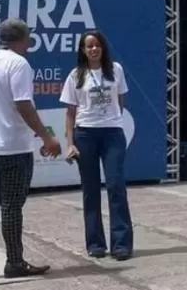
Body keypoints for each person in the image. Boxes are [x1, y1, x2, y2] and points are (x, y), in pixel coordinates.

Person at [0, 19, 61, 282]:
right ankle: (15, 262)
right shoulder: (18, 64)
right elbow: (24, 105)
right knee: (11, 206)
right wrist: (46, 136)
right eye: (29, 38)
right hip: (13, 146)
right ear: (22, 39)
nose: (30, 43)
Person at [60, 30, 134, 261]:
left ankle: (121, 244)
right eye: (88, 46)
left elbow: (121, 101)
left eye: (97, 45)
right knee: (90, 190)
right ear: (82, 50)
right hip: (85, 135)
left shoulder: (116, 70)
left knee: (115, 186)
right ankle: (95, 243)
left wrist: (111, 120)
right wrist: (70, 143)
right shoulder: (75, 75)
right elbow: (70, 113)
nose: (93, 49)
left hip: (112, 134)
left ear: (103, 48)